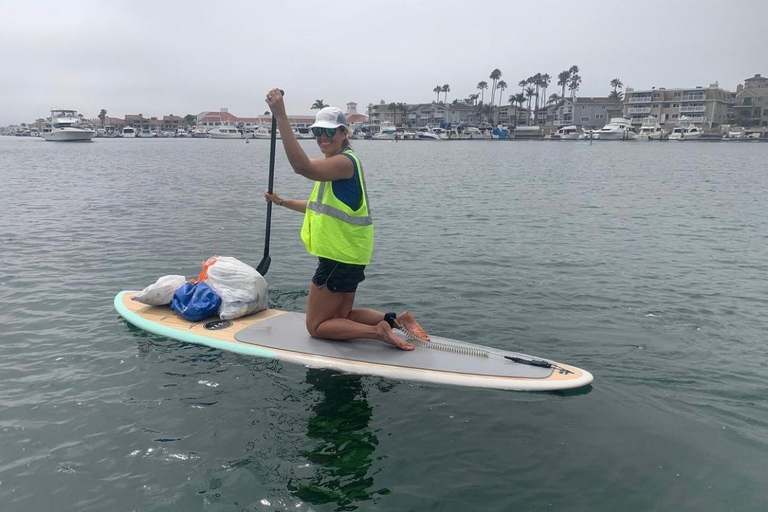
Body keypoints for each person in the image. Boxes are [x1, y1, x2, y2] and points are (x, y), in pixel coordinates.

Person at [263, 88, 429, 351]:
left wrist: (281, 116)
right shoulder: (336, 166)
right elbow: (316, 207)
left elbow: (302, 167)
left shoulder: (344, 164)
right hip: (350, 256)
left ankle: (379, 331)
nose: (323, 137)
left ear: (344, 133)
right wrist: (282, 202)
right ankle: (397, 320)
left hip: (338, 259)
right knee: (339, 318)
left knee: (316, 327)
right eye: (318, 132)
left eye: (330, 131)